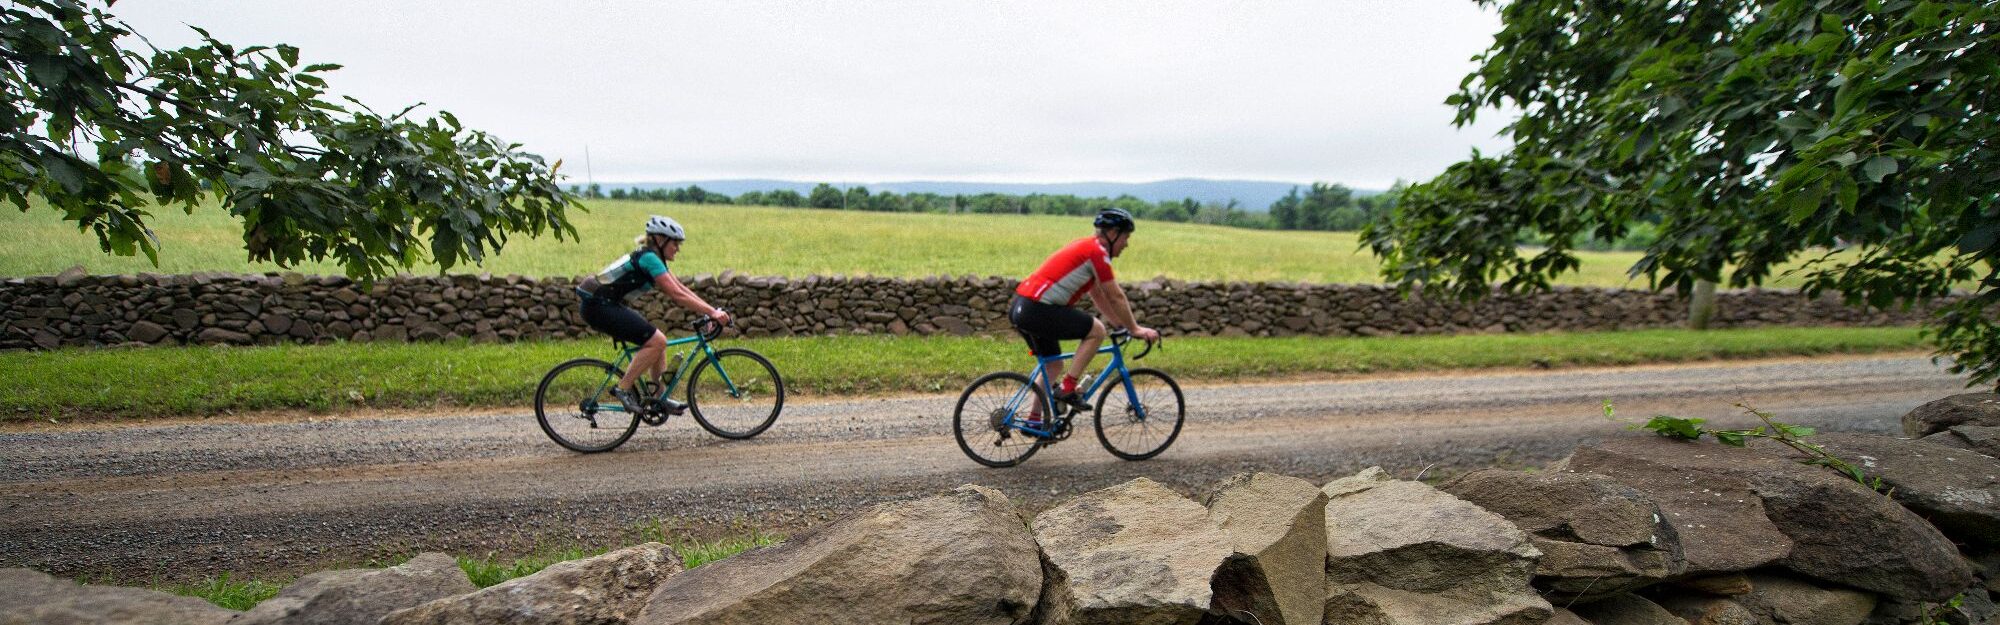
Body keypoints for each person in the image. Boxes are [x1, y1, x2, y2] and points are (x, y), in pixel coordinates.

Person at [1009, 208, 1161, 428]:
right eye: (1126, 238)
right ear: (1113, 233)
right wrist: (1135, 328)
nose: (1126, 244)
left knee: (1052, 365)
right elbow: (1115, 296)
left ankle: (1034, 420)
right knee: (1097, 331)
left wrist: (1119, 324)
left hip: (1022, 307)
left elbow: (1098, 293)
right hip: (1038, 309)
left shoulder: (1086, 246)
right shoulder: (1097, 252)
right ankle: (1068, 388)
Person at [576, 215, 731, 416]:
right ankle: (622, 389)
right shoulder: (650, 259)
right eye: (675, 243)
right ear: (660, 240)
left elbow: (681, 288)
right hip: (599, 307)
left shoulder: (654, 258)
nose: (678, 248)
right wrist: (711, 312)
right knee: (657, 341)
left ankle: (659, 399)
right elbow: (676, 295)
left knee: (658, 342)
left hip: (604, 305)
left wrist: (711, 311)